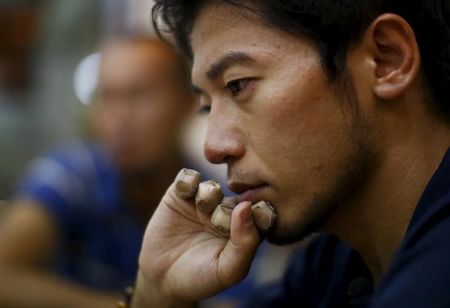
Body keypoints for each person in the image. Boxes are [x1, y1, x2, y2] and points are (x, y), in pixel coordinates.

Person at [128, 1, 450, 307]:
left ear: (387, 59)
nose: (213, 148)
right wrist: (158, 292)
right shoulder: (331, 264)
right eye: (207, 107)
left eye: (238, 84)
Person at [0, 37, 196, 307]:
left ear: (187, 102)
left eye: (139, 95)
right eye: (106, 97)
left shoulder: (210, 200)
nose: (119, 117)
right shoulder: (71, 176)